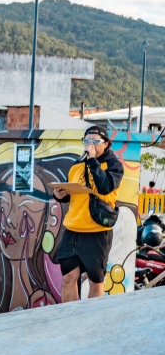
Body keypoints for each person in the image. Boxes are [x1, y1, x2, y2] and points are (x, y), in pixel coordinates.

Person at [52, 125, 125, 303]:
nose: (90, 145)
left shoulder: (114, 166)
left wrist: (93, 161)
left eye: (95, 141)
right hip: (73, 229)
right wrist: (60, 196)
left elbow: (105, 187)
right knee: (68, 278)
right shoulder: (76, 166)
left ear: (106, 144)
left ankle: (91, 322)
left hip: (97, 231)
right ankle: (70, 321)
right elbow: (75, 195)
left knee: (95, 282)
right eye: (87, 141)